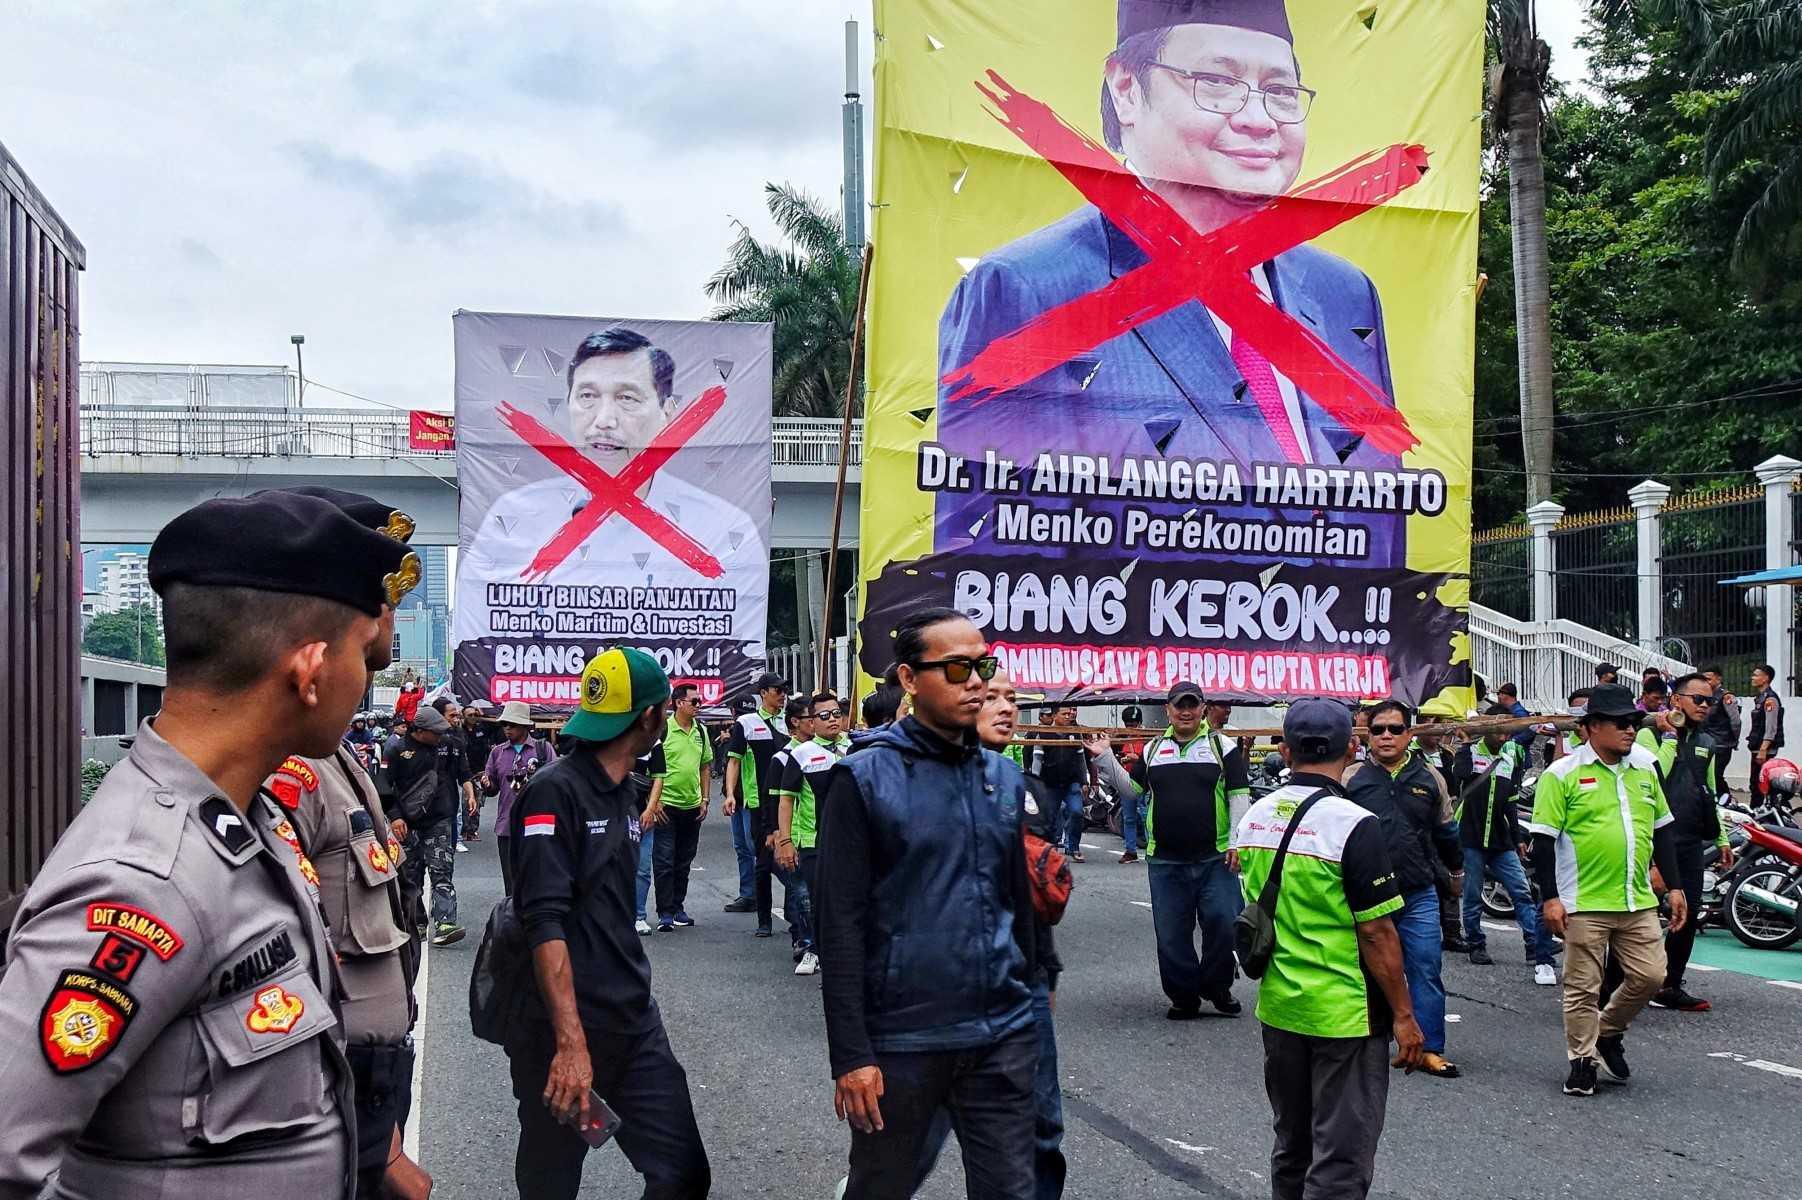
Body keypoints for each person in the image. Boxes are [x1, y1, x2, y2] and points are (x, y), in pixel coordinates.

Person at [0, 490, 417, 1197]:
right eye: (361, 657)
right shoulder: (143, 880)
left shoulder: (246, 825)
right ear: (310, 670)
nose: (365, 679)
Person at [933, 0, 1408, 571]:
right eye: (1217, 82)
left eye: (1281, 91)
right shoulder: (1026, 291)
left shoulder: (1344, 296)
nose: (1259, 120)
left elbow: (1383, 551)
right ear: (1127, 89)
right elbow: (992, 576)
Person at [816, 608, 1037, 1199]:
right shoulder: (861, 778)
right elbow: (838, 925)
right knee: (882, 1188)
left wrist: (1034, 989)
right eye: (958, 667)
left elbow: (1017, 896)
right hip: (903, 1043)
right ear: (910, 680)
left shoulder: (1002, 776)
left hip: (1001, 1034)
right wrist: (851, 1056)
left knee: (1013, 1190)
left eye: (983, 665)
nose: (976, 682)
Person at [267, 484, 431, 1200]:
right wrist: (378, 1141)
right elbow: (281, 968)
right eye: (379, 594)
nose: (387, 614)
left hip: (369, 1079)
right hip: (336, 1087)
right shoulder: (287, 767)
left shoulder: (333, 750)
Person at [504, 647, 708, 1198]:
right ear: (650, 718)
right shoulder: (554, 790)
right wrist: (570, 1045)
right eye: (664, 708)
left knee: (683, 1174)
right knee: (552, 1182)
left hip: (634, 1021)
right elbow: (542, 920)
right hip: (560, 1031)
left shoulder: (626, 788)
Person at [454, 326, 767, 656]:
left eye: (627, 398)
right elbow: (482, 635)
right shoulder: (513, 515)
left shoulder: (726, 526)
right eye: (587, 396)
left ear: (669, 413)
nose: (604, 420)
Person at [1231, 699, 1424, 1200]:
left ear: (1286, 749)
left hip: (1279, 1007)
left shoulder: (1254, 818)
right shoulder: (1354, 823)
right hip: (1344, 1013)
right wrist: (1404, 1014)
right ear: (1353, 747)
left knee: (1292, 1146)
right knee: (1339, 1159)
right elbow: (1378, 934)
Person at [913, 665, 1068, 1200]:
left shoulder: (1025, 789)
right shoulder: (909, 781)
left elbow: (1033, 901)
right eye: (991, 697)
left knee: (1041, 1130)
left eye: (1012, 699)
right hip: (939, 992)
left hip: (1021, 983)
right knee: (908, 1147)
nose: (1004, 707)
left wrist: (1045, 973)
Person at [1527, 683, 1687, 1096]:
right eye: (1620, 723)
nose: (1630, 730)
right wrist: (1550, 897)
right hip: (1583, 901)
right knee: (1582, 986)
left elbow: (1663, 831)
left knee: (1652, 976)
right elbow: (1543, 841)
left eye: (1634, 722)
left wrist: (1675, 887)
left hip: (1636, 899)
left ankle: (1608, 1030)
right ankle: (1581, 1062)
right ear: (1591, 727)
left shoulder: (1646, 769)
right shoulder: (1561, 774)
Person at [1345, 700, 1463, 1078]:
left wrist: (1457, 872)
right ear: (1368, 734)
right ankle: (1366, 1042)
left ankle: (1430, 1048)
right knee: (1366, 969)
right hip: (1366, 896)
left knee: (1425, 965)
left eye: (1395, 729)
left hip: (1417, 892)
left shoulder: (1430, 777)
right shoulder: (1351, 779)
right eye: (1378, 729)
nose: (1386, 736)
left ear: (1409, 734)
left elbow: (1447, 831)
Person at [1134, 680, 1251, 1017]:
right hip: (1165, 860)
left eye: (1192, 705)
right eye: (1178, 705)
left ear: (1202, 708)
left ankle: (1217, 987)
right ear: (1168, 710)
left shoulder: (1222, 746)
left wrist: (1236, 843)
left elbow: (1239, 796)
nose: (1185, 711)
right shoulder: (1153, 749)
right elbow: (1132, 789)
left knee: (1224, 923)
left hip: (1216, 858)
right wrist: (1104, 761)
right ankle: (1183, 996)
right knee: (1171, 934)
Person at [1645, 674, 1734, 1012]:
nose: (1704, 706)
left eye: (1709, 701)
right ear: (1676, 699)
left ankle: (1670, 984)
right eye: (1697, 699)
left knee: (1689, 913)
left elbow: (1707, 791)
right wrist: (1670, 735)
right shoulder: (1647, 732)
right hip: (1653, 839)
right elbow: (1654, 775)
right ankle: (1616, 984)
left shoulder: (1707, 743)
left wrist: (1721, 837)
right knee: (1635, 917)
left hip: (1690, 840)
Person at [1452, 712, 1556, 982]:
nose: (1504, 736)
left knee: (1521, 891)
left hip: (1501, 841)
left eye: (1507, 731)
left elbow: (1510, 802)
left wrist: (1518, 838)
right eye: (1498, 731)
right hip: (1472, 837)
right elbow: (1460, 774)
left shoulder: (1510, 757)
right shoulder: (1470, 753)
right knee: (1473, 894)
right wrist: (1463, 745)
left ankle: (1534, 944)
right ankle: (1476, 943)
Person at [774, 692, 847, 977]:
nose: (832, 720)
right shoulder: (801, 754)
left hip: (850, 843)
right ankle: (815, 950)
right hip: (814, 842)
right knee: (817, 901)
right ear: (812, 722)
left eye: (836, 713)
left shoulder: (855, 747)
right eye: (824, 715)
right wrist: (785, 840)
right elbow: (786, 799)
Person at [388, 704, 465, 946]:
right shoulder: (396, 750)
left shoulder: (448, 746)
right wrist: (395, 816)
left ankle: (445, 923)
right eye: (436, 732)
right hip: (408, 823)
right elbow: (383, 787)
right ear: (419, 731)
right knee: (411, 876)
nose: (440, 736)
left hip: (440, 819)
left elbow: (463, 773)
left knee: (442, 871)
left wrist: (468, 794)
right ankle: (416, 923)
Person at [645, 682, 713, 933]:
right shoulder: (663, 730)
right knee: (664, 860)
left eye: (699, 701)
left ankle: (677, 907)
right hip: (667, 805)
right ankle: (664, 912)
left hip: (692, 805)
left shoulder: (701, 731)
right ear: (678, 703)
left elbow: (705, 765)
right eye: (694, 701)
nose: (698, 705)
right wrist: (654, 801)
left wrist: (705, 799)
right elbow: (651, 766)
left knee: (684, 860)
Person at [725, 673, 789, 927]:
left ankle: (797, 914)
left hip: (789, 799)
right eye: (777, 690)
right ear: (763, 693)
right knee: (762, 860)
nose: (782, 694)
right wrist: (730, 793)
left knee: (790, 854)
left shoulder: (791, 721)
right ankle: (764, 920)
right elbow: (734, 760)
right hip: (759, 802)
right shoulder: (747, 723)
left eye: (785, 690)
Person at [761, 697, 818, 964]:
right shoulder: (783, 758)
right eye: (812, 718)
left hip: (818, 836)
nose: (817, 722)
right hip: (792, 834)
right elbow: (773, 799)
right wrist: (776, 833)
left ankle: (810, 939)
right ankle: (804, 940)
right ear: (795, 722)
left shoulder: (826, 752)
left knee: (809, 893)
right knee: (802, 893)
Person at [483, 699, 556, 897]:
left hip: (537, 825)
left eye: (512, 724)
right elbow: (492, 788)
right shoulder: (497, 752)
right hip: (507, 826)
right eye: (505, 724)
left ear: (525, 726)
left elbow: (557, 783)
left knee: (538, 879)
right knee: (511, 883)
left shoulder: (543, 749)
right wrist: (486, 784)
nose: (507, 729)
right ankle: (514, 923)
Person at [1037, 705, 1090, 862]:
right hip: (1050, 784)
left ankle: (1073, 847)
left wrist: (1084, 782)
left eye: (1070, 713)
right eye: (1064, 714)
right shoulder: (1043, 734)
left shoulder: (1075, 733)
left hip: (1071, 783)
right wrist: (1035, 782)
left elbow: (1081, 760)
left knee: (1077, 812)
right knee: (1050, 817)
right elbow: (1037, 760)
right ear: (1054, 716)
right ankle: (1050, 847)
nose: (1069, 716)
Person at [462, 703, 499, 842]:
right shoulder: (460, 730)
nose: (473, 717)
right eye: (470, 715)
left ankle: (472, 830)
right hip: (465, 772)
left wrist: (482, 716)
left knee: (478, 802)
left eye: (474, 715)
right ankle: (464, 830)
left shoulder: (481, 728)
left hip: (480, 771)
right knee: (466, 802)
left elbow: (497, 726)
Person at [1701, 666, 1740, 796]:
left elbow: (1735, 721)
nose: (1706, 682)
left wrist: (1733, 740)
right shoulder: (1707, 696)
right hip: (1709, 743)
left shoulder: (1726, 696)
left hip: (1722, 745)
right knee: (1709, 776)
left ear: (1718, 678)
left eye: (1709, 679)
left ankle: (1727, 799)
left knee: (1716, 775)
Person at [1748, 663, 1784, 781]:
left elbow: (1771, 727)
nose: (1752, 678)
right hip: (1758, 746)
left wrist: (1763, 750)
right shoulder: (1761, 698)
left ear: (1766, 678)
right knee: (1756, 783)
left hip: (1764, 749)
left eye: (1756, 675)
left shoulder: (1770, 699)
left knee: (1758, 783)